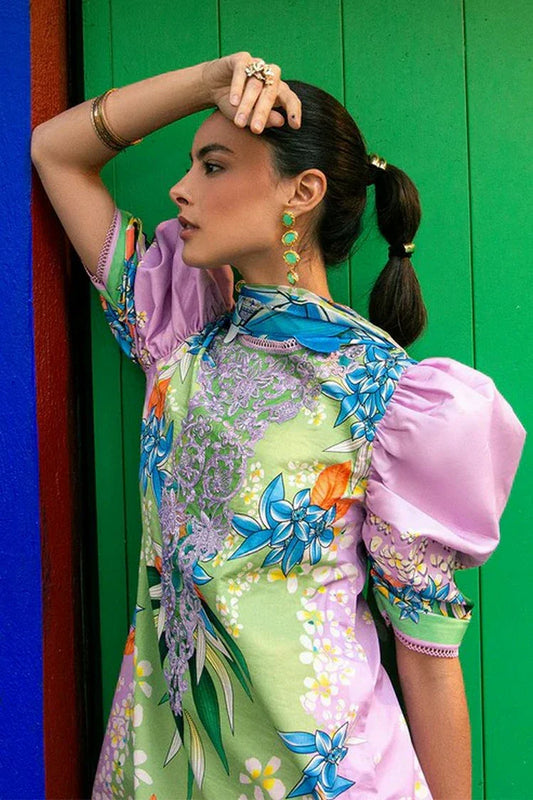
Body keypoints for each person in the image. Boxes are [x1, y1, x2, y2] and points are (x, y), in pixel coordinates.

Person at [31, 52, 525, 800]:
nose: (181, 188)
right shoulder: (179, 336)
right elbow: (56, 151)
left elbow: (426, 653)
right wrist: (209, 81)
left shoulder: (386, 396)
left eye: (213, 166)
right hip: (161, 778)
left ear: (302, 191)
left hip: (330, 780)